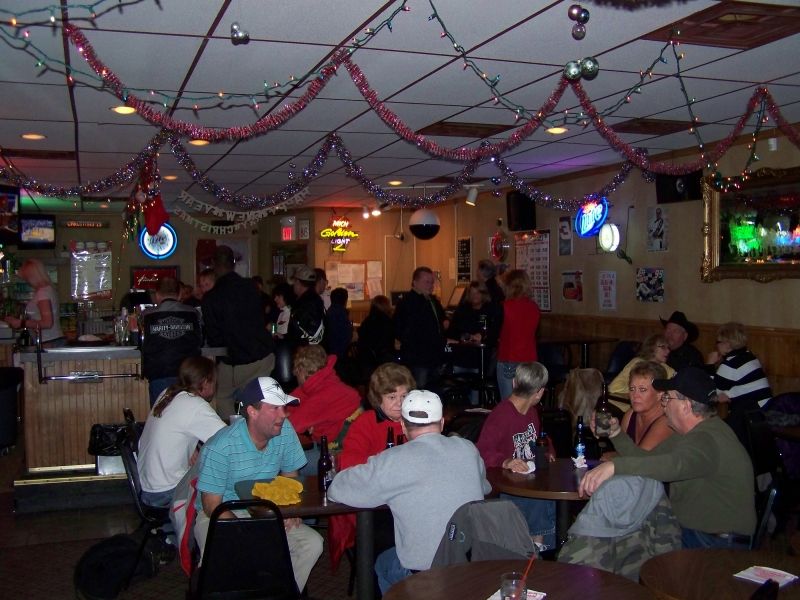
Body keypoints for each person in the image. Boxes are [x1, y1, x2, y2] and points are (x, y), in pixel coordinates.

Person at [328, 389, 491, 593]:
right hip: (471, 565)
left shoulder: (393, 460)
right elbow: (484, 487)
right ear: (442, 423)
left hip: (424, 573)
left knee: (382, 564)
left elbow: (337, 489)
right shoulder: (468, 449)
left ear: (403, 426)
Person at [579, 367, 756, 549]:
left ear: (685, 406)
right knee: (622, 540)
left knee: (622, 544)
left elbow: (674, 465)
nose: (663, 405)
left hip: (715, 543)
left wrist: (615, 466)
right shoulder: (690, 434)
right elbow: (647, 460)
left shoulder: (706, 438)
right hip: (695, 533)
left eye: (667, 398)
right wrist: (616, 434)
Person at [193, 376, 323, 592]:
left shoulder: (285, 430)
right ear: (252, 412)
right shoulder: (221, 447)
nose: (283, 415)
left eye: (284, 408)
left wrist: (291, 511)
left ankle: (280, 593)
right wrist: (246, 531)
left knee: (312, 544)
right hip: (220, 513)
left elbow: (290, 477)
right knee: (228, 552)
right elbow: (211, 505)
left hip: (266, 511)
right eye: (275, 408)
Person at [328, 363, 416, 571]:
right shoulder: (366, 423)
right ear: (378, 399)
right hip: (374, 504)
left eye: (404, 396)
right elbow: (349, 465)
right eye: (392, 397)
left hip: (409, 499)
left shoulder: (416, 421)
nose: (399, 403)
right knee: (387, 535)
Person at [476, 362, 556, 549]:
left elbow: (539, 439)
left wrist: (548, 451)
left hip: (526, 480)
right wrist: (506, 461)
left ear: (513, 383)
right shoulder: (501, 415)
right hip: (505, 485)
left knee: (547, 490)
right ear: (540, 393)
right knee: (541, 497)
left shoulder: (531, 413)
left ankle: (541, 546)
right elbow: (481, 451)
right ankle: (538, 547)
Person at [137, 356, 225, 508]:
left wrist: (194, 448)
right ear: (205, 382)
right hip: (167, 493)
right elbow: (231, 441)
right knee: (224, 477)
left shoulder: (168, 393)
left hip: (148, 488)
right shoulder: (195, 405)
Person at [201, 246, 275, 417]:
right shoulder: (251, 287)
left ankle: (235, 430)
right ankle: (250, 425)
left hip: (234, 359)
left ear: (213, 264)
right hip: (262, 355)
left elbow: (215, 339)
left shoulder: (211, 298)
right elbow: (261, 317)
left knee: (222, 397)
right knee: (254, 402)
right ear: (233, 263)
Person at [287, 344, 361, 474]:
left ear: (301, 371)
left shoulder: (323, 396)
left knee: (284, 463)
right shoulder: (327, 382)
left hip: (341, 459)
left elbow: (290, 425)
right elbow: (291, 403)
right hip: (338, 451)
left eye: (296, 372)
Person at [706, 322, 772, 446]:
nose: (716, 345)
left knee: (715, 433)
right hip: (764, 410)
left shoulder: (731, 364)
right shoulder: (749, 355)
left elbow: (710, 392)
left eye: (718, 342)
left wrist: (709, 365)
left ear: (727, 344)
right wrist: (728, 394)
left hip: (752, 418)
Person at [140, 277, 203, 406]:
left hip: (159, 373)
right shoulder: (193, 313)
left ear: (157, 295)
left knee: (161, 414)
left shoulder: (147, 315)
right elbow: (200, 341)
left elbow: (140, 342)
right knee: (188, 413)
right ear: (180, 294)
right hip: (189, 375)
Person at [394, 266, 446, 390]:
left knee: (433, 389)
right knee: (419, 390)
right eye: (427, 282)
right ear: (415, 282)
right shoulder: (407, 302)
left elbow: (441, 320)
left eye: (432, 282)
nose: (431, 286)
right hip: (417, 358)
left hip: (434, 355)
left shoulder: (432, 301)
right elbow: (399, 329)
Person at [496, 269, 541, 401]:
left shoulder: (504, 307)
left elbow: (495, 333)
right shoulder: (534, 307)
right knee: (526, 403)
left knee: (509, 405)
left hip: (509, 358)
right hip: (530, 360)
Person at [4, 258, 64, 345]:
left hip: (49, 341)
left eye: (26, 278)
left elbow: (47, 323)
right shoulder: (47, 290)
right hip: (52, 340)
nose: (27, 281)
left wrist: (21, 323)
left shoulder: (43, 293)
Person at [617, 361, 673, 451]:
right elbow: (621, 450)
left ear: (660, 393)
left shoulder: (666, 421)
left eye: (642, 389)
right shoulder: (630, 415)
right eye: (632, 389)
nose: (635, 395)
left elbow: (641, 456)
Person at [608, 333, 676, 401]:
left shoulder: (669, 370)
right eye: (663, 347)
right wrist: (639, 391)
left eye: (668, 348)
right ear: (651, 347)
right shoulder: (637, 363)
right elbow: (614, 387)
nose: (668, 351)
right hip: (626, 403)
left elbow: (675, 392)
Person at [355, 295, 395, 379]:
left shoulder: (367, 320)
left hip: (365, 360)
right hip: (382, 361)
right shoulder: (387, 321)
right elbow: (388, 342)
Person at [286, 266, 325, 349]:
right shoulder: (316, 300)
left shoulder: (303, 304)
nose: (293, 286)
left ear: (298, 282)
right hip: (316, 350)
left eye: (294, 282)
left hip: (306, 351)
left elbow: (300, 331)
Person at [324, 287, 353, 359]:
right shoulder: (341, 314)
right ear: (345, 300)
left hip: (328, 352)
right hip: (340, 354)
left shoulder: (329, 311)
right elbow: (347, 336)